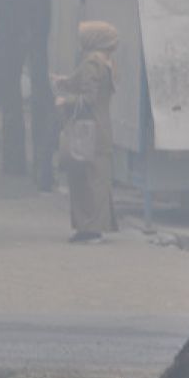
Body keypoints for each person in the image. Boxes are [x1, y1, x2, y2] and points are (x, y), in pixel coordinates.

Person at [54, 22, 120, 244]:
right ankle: (91, 228)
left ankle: (90, 230)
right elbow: (83, 84)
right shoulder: (105, 61)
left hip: (87, 128)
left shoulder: (92, 62)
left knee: (85, 179)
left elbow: (89, 97)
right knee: (97, 179)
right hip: (101, 128)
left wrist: (66, 100)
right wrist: (66, 82)